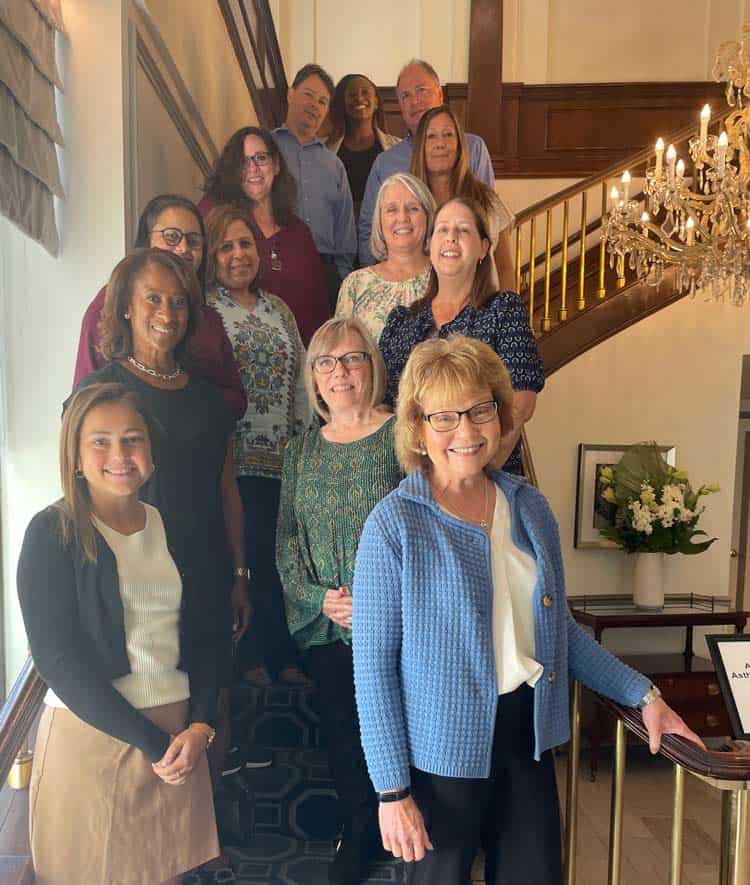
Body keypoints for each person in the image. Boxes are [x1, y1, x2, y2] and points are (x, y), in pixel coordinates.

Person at [352, 335, 703, 885]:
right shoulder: (394, 525)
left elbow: (559, 631)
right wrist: (392, 791)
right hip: (439, 753)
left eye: (479, 410)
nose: (465, 432)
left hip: (528, 738)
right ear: (417, 429)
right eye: (443, 417)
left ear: (499, 412)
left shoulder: (530, 507)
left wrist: (645, 694)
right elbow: (373, 670)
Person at [18, 382, 221, 883]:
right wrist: (151, 744)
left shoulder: (174, 526)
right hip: (94, 738)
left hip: (179, 740)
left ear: (151, 449)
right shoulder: (52, 533)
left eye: (132, 439)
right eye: (100, 441)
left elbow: (209, 635)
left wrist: (200, 725)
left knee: (167, 875)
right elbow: (56, 659)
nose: (119, 454)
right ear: (76, 455)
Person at [71, 248, 253, 784]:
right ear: (125, 306)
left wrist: (240, 574)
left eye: (177, 302)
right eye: (152, 298)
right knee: (147, 705)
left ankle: (202, 833)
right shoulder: (99, 391)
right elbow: (78, 489)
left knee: (209, 702)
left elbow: (228, 491)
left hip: (202, 570)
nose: (166, 313)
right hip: (131, 580)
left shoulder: (209, 400)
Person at [277, 317, 401, 884]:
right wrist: (319, 598)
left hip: (394, 621)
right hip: (328, 623)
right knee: (342, 731)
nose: (340, 371)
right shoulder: (300, 453)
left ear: (371, 368)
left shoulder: (404, 436)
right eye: (326, 362)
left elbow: (421, 528)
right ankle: (359, 827)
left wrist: (376, 600)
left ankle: (400, 820)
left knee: (394, 728)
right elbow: (285, 541)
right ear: (314, 379)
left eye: (352, 358)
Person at [204, 204, 311, 688]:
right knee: (241, 560)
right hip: (232, 459)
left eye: (245, 243)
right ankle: (249, 659)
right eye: (225, 246)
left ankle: (283, 654)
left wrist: (307, 447)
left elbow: (304, 380)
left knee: (279, 560)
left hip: (283, 460)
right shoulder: (205, 309)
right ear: (211, 255)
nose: (238, 254)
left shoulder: (278, 309)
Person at [379, 196, 543, 476]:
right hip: (415, 485)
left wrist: (473, 481)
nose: (451, 237)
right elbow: (385, 410)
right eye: (442, 229)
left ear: (483, 248)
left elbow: (521, 404)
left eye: (464, 230)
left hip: (488, 482)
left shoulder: (504, 310)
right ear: (429, 245)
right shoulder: (401, 322)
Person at [73, 193, 246, 420]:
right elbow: (82, 406)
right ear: (146, 241)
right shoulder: (108, 304)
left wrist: (197, 403)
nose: (184, 248)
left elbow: (236, 401)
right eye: (171, 237)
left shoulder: (209, 317)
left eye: (193, 241)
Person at [198, 126, 330, 345]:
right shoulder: (221, 223)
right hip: (238, 355)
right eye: (243, 161)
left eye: (261, 158)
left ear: (276, 165)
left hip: (302, 358)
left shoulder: (299, 232)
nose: (253, 168)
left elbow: (320, 305)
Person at [358, 59, 494, 266]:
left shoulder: (473, 148)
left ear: (440, 95)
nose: (415, 101)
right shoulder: (385, 163)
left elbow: (489, 221)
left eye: (422, 90)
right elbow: (369, 229)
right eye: (406, 96)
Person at [273, 64, 357, 310]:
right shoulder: (265, 149)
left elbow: (345, 229)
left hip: (325, 273)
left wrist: (341, 280)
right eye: (308, 95)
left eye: (322, 101)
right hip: (275, 267)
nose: (314, 105)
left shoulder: (334, 165)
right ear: (290, 94)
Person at [410, 104, 515, 291]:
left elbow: (505, 268)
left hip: (482, 313)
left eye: (448, 134)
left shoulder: (487, 200)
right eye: (431, 136)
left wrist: (511, 315)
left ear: (460, 145)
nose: (440, 143)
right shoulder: (408, 203)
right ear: (420, 147)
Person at [336, 173, 434, 343]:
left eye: (413, 208)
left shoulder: (446, 277)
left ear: (428, 217)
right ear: (379, 221)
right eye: (391, 210)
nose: (402, 218)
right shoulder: (355, 284)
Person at [326, 73, 400, 219]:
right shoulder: (325, 149)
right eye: (352, 95)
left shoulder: (396, 147)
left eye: (365, 92)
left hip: (382, 230)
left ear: (376, 102)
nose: (359, 98)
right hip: (341, 231)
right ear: (343, 103)